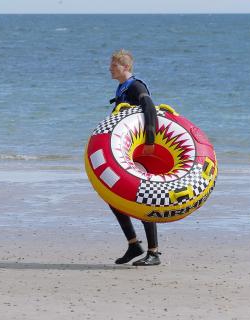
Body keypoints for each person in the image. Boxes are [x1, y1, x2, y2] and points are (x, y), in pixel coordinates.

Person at [108, 49, 161, 266]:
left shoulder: (136, 86)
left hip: (141, 151)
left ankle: (154, 252)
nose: (110, 69)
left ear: (126, 67)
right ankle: (133, 245)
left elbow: (149, 107)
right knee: (113, 197)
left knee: (143, 199)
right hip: (127, 152)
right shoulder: (122, 87)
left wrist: (150, 141)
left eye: (114, 65)